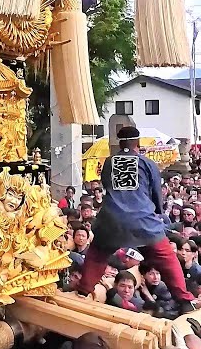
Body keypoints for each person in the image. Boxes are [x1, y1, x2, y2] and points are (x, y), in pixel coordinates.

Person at [77, 127, 194, 310]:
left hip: (111, 220)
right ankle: (185, 301)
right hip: (142, 221)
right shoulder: (147, 163)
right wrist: (155, 211)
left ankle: (83, 291)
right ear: (138, 144)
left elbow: (108, 186)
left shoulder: (109, 162)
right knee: (166, 258)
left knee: (97, 256)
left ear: (119, 143)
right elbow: (156, 196)